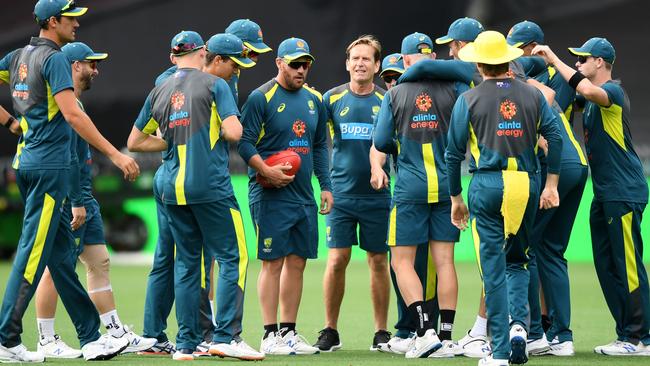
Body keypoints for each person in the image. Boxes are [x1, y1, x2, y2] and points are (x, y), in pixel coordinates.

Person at [0, 0, 138, 362]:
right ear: (52, 21)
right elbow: (73, 113)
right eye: (71, 18)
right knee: (32, 254)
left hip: (32, 163)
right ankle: (7, 339)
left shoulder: (18, 57)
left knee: (61, 258)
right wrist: (116, 153)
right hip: (49, 169)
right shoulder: (55, 58)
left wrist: (10, 123)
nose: (76, 24)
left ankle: (91, 338)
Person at [127, 30, 261, 361]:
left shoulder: (160, 87)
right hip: (209, 185)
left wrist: (173, 141)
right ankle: (225, 337)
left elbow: (135, 142)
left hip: (171, 187)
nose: (237, 70)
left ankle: (185, 345)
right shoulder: (217, 86)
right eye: (236, 64)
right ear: (206, 55)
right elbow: (233, 132)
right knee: (234, 257)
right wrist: (221, 122)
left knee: (186, 264)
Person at [32, 42, 157, 359]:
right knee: (56, 268)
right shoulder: (65, 108)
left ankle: (115, 330)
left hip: (84, 194)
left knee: (98, 261)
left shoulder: (76, 105)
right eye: (91, 64)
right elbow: (68, 160)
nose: (96, 70)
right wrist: (76, 201)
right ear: (74, 66)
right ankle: (47, 339)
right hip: (69, 197)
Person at [446, 30, 562, 366]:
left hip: (486, 185)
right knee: (520, 261)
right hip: (525, 185)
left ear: (480, 63)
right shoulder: (533, 95)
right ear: (506, 61)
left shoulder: (467, 99)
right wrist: (551, 185)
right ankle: (519, 330)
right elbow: (554, 136)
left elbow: (454, 155)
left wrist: (456, 198)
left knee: (493, 269)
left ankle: (497, 351)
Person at [533, 37, 650, 356]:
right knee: (606, 264)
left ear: (600, 62)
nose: (579, 63)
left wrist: (553, 59)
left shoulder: (611, 90)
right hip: (604, 193)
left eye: (584, 59)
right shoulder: (589, 101)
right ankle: (626, 333)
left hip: (624, 191)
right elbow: (561, 100)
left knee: (627, 264)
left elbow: (584, 90)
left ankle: (642, 338)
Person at [374, 32, 468, 358]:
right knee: (444, 262)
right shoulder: (455, 89)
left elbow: (382, 140)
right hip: (447, 186)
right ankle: (448, 336)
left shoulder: (395, 93)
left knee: (402, 262)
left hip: (410, 188)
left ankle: (423, 331)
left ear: (404, 60)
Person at [238, 37, 332, 356]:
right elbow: (244, 143)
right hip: (270, 196)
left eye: (306, 64)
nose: (301, 70)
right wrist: (266, 170)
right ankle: (269, 334)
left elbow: (320, 146)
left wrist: (327, 185)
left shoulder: (314, 100)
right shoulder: (260, 98)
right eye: (295, 64)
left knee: (297, 262)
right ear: (279, 63)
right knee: (272, 262)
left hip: (304, 196)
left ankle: (288, 332)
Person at [507, 20, 586, 356]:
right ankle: (562, 337)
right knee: (550, 251)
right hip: (577, 163)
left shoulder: (523, 82)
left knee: (525, 249)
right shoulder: (543, 77)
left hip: (552, 164)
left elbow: (550, 99)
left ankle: (537, 331)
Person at [312, 35, 391, 352]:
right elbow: (318, 144)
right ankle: (330, 330)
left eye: (366, 59)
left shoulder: (387, 101)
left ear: (377, 65)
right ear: (347, 64)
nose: (360, 63)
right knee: (336, 261)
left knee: (378, 262)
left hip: (377, 197)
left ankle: (381, 333)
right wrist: (324, 185)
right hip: (341, 196)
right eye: (355, 58)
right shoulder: (330, 100)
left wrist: (381, 169)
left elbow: (391, 146)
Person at [225, 18, 273, 103]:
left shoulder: (235, 71)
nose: (255, 59)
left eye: (258, 53)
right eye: (252, 52)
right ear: (234, 43)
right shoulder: (206, 71)